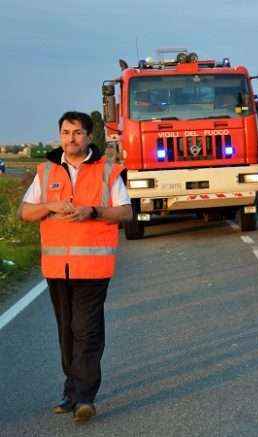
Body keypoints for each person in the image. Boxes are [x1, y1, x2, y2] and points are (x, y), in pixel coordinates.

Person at [19, 111, 132, 423]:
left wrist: (92, 211)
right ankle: (71, 393)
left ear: (89, 136)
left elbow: (125, 213)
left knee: (86, 330)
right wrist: (49, 206)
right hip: (57, 268)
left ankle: (85, 398)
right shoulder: (45, 171)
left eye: (78, 133)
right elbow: (26, 213)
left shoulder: (107, 170)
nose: (72, 138)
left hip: (93, 267)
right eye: (66, 132)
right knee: (66, 331)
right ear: (60, 136)